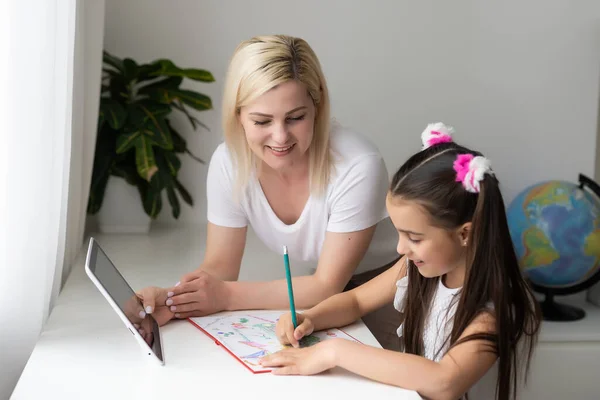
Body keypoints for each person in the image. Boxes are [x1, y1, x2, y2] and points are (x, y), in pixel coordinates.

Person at [138, 34, 401, 350]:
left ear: (317, 105)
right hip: (318, 289)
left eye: (296, 117)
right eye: (262, 120)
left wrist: (224, 296)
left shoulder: (358, 164)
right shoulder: (229, 162)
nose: (280, 137)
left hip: (389, 286)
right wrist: (170, 301)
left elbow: (327, 286)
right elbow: (220, 268)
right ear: (238, 115)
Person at [259, 123, 542, 400]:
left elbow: (446, 382)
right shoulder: (416, 268)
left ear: (465, 233)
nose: (400, 248)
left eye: (414, 238)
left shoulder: (495, 308)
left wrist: (335, 352)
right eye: (399, 233)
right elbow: (356, 301)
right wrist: (310, 318)